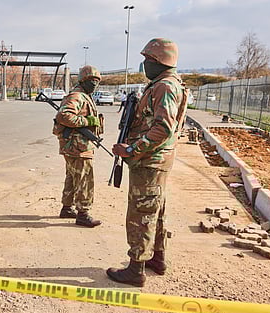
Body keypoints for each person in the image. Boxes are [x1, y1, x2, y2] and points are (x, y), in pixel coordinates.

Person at [106, 38, 188, 287]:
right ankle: (157, 257)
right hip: (157, 160)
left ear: (160, 61)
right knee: (155, 210)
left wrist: (131, 148)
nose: (144, 64)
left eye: (148, 59)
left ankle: (136, 268)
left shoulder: (164, 86)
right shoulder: (167, 84)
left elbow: (163, 128)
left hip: (149, 161)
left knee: (141, 213)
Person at [53, 65, 103, 228]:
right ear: (83, 80)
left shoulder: (84, 95)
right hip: (77, 146)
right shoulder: (77, 96)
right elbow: (64, 116)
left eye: (97, 81)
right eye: (91, 80)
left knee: (72, 177)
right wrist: (88, 121)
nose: (94, 84)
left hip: (76, 145)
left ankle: (67, 207)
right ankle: (83, 213)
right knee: (84, 178)